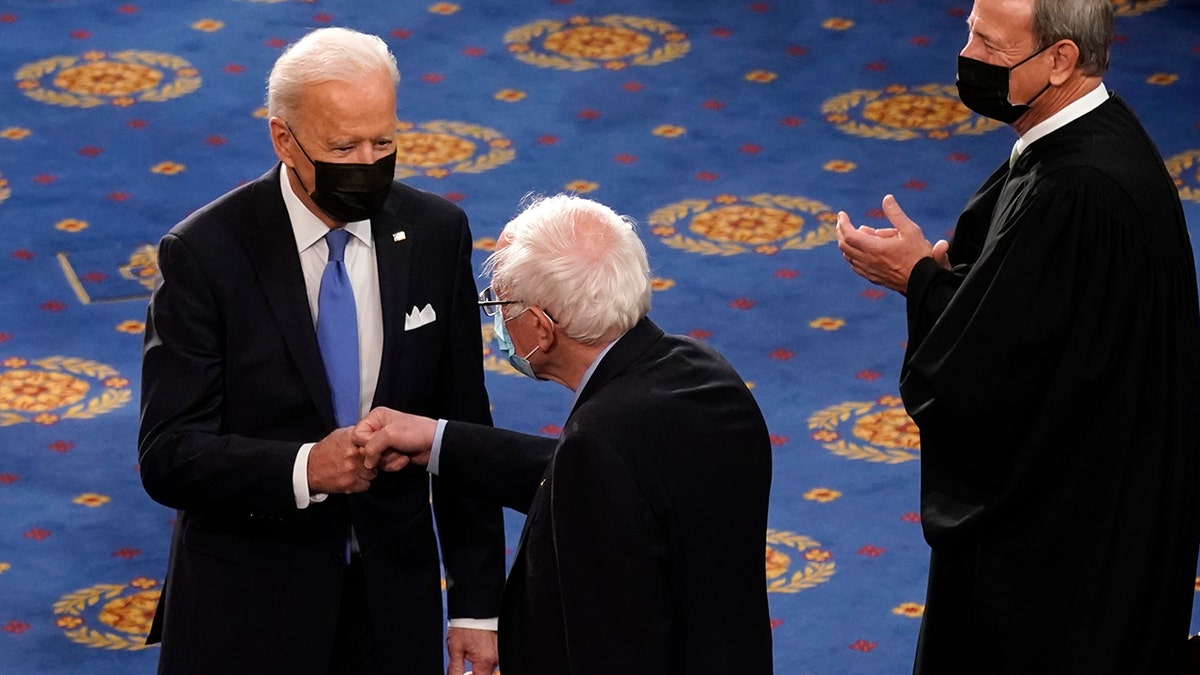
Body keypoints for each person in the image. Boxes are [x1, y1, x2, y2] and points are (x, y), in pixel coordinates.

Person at [835, 0, 1200, 672]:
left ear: (1061, 59)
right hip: (1100, 499)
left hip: (1064, 543)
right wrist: (955, 278)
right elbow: (1034, 315)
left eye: (990, 44)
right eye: (970, 30)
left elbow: (986, 378)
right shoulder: (1081, 144)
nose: (968, 56)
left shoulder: (1079, 189)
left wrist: (919, 279)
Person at [138, 27, 505, 674]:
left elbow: (461, 428)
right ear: (284, 139)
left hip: (391, 603)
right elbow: (169, 454)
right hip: (247, 608)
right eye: (343, 146)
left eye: (384, 141)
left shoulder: (434, 234)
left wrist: (476, 605)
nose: (368, 162)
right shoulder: (205, 255)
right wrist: (307, 467)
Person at [352, 194, 775, 674]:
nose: (498, 320)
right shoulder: (702, 374)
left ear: (540, 327)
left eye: (499, 303)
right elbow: (607, 481)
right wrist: (438, 440)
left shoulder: (599, 443)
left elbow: (606, 645)